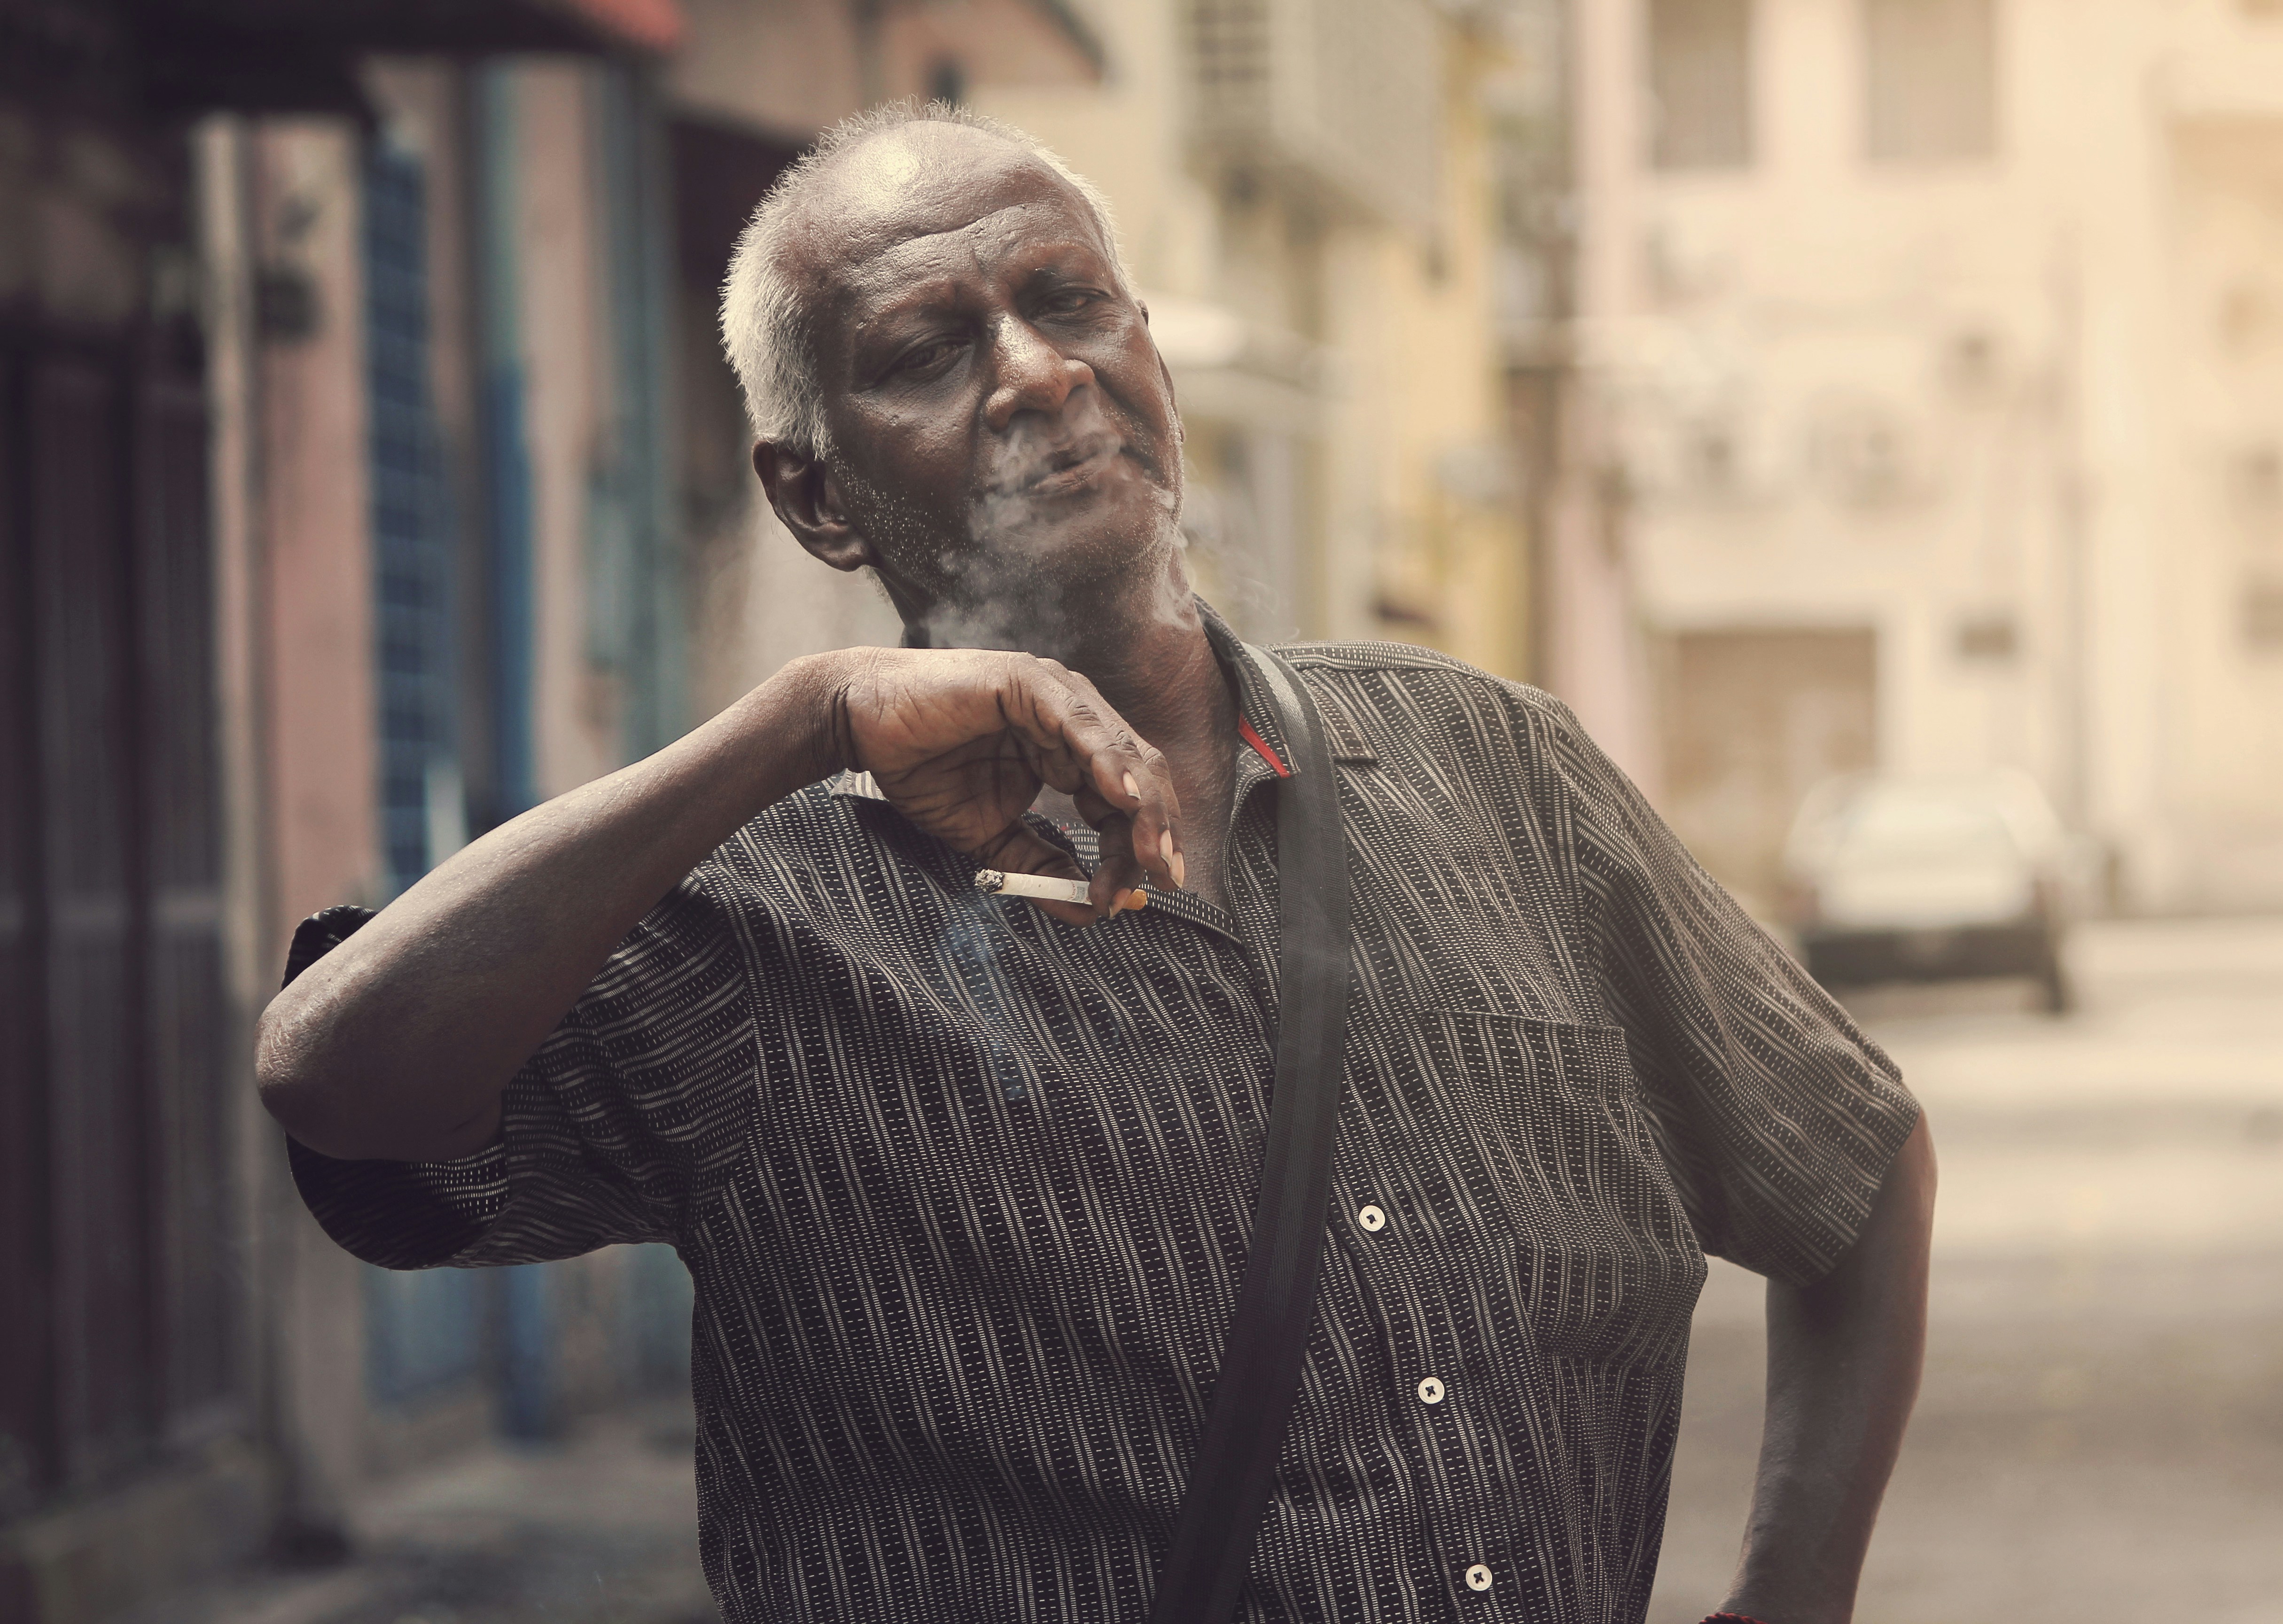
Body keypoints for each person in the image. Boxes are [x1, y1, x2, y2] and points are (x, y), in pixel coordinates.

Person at [256, 102, 1933, 1624]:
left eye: (1068, 304)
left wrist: (1793, 1596)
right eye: (927, 347)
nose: (1038, 372)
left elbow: (1853, 1169)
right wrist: (803, 716)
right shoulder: (762, 933)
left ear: (1157, 371)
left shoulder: (1497, 776)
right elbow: (336, 1083)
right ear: (815, 496)